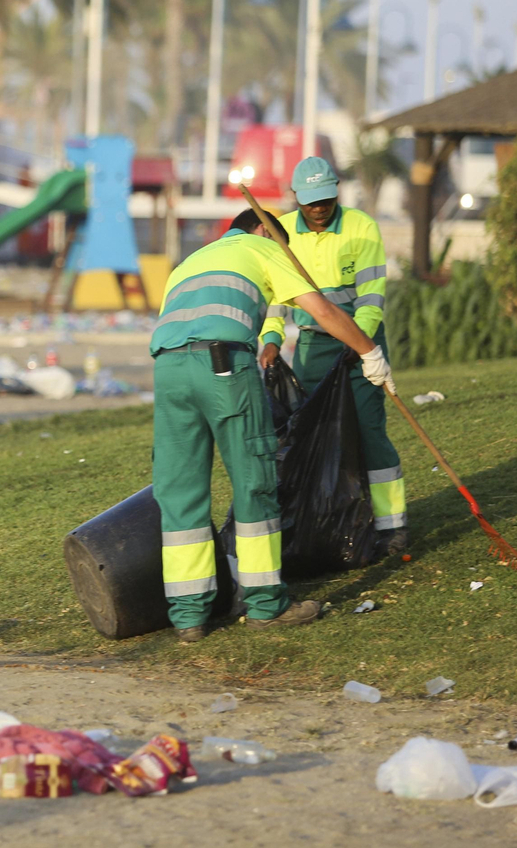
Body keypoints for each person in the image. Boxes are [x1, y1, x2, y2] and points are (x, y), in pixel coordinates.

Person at [151, 206, 394, 643]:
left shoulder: (191, 263)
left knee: (180, 492)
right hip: (223, 366)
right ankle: (266, 604)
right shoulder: (263, 247)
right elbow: (321, 310)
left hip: (167, 370)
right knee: (254, 481)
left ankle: (188, 617)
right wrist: (369, 352)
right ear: (265, 230)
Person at [258, 156, 407, 556]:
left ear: (337, 190)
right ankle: (326, 517)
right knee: (312, 433)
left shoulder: (361, 227)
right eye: (310, 202)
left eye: (325, 198)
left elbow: (372, 296)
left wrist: (360, 343)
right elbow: (275, 297)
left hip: (361, 342)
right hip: (311, 345)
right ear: (295, 199)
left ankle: (392, 525)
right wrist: (271, 338)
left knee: (369, 431)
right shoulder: (281, 231)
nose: (319, 208)